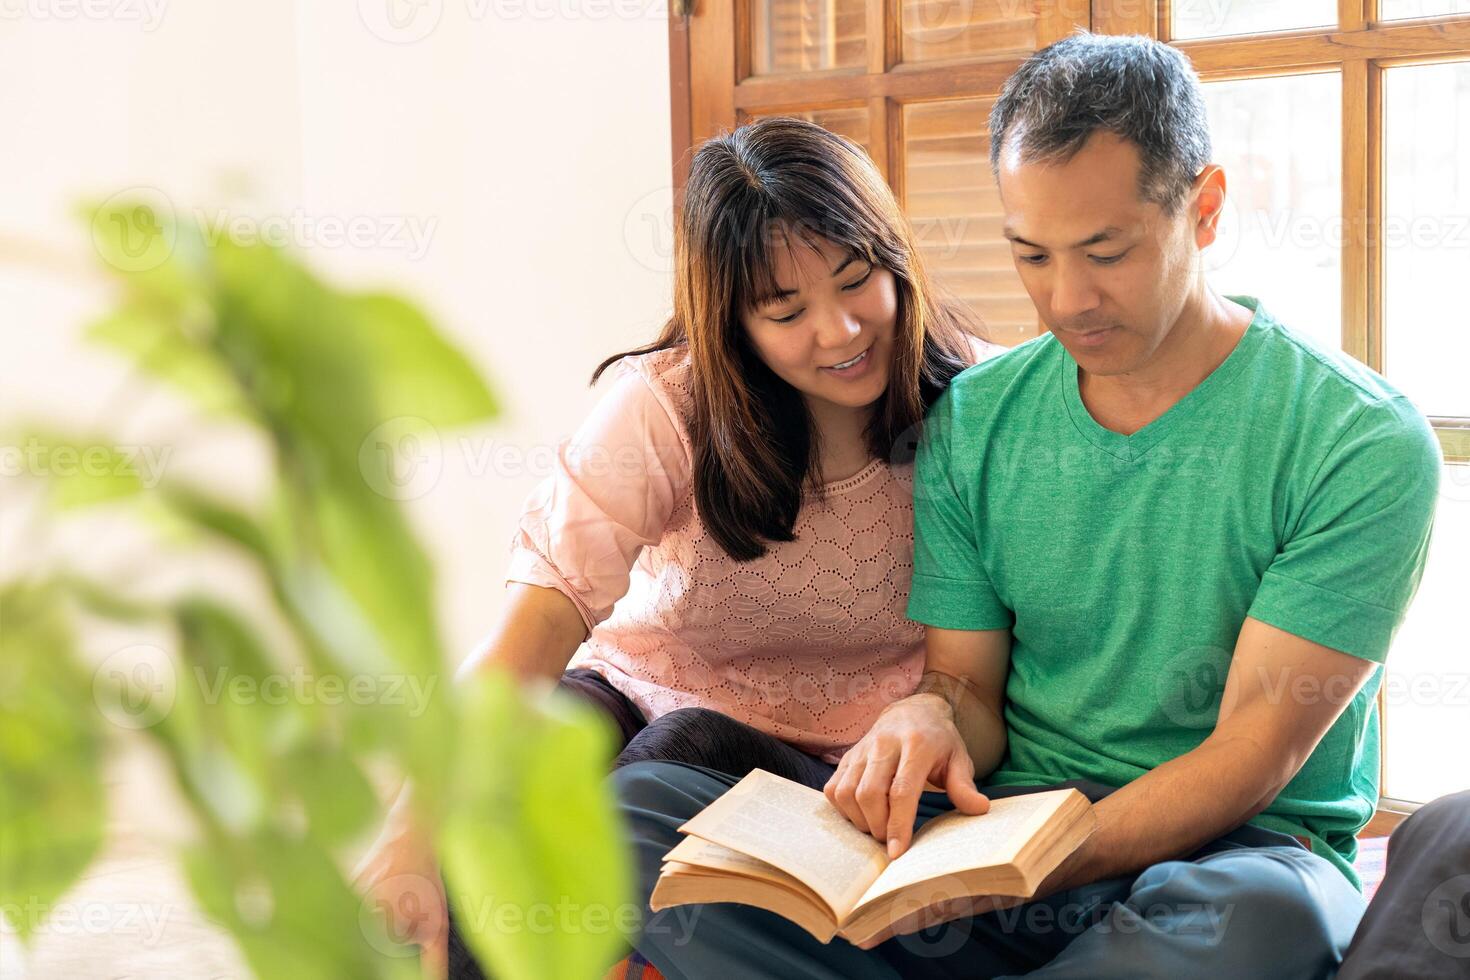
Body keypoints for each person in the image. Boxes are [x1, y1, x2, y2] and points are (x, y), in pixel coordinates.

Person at [614, 32, 1443, 979]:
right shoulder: (976, 419)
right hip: (995, 838)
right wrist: (929, 719)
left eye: (1105, 251)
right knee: (640, 818)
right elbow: (966, 687)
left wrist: (1034, 868)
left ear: (1203, 209)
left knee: (1262, 920)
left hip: (1229, 854)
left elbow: (1254, 748)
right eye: (1031, 256)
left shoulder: (1356, 440)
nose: (1068, 299)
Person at [350, 116, 998, 978]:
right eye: (786, 310)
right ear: (731, 319)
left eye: (856, 281)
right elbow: (530, 637)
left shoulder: (978, 398)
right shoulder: (665, 407)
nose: (840, 331)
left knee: (668, 761)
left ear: (895, 258)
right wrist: (406, 835)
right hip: (634, 693)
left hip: (831, 764)